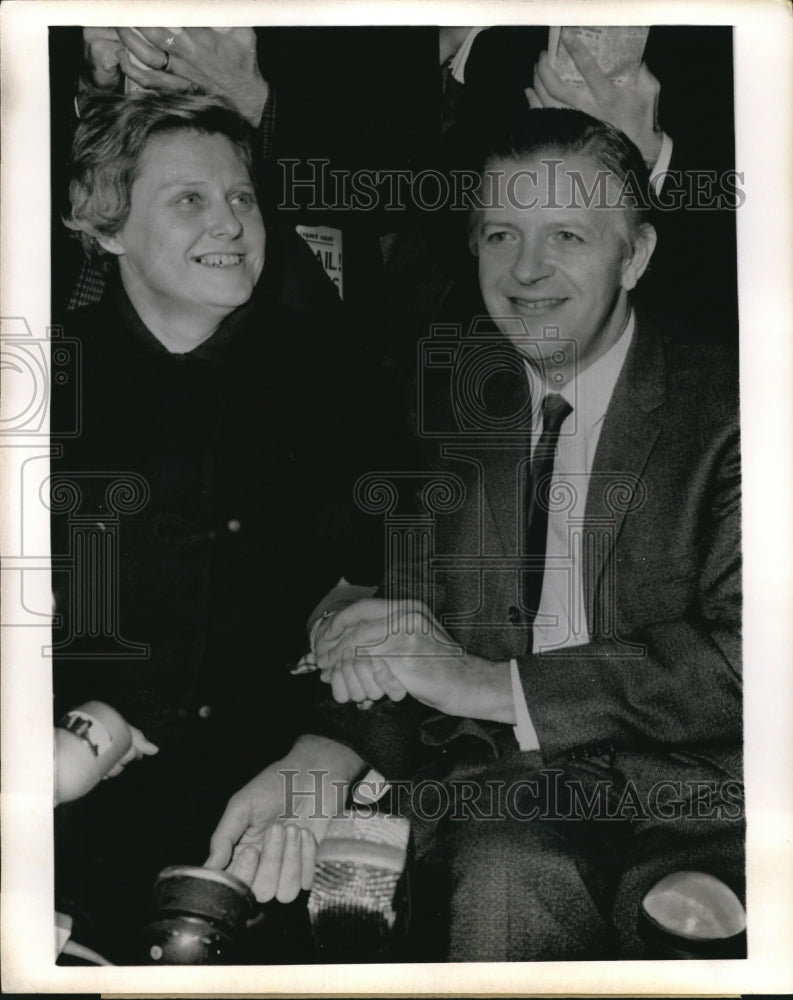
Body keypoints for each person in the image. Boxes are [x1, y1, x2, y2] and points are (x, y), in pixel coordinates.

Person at [206, 108, 743, 961]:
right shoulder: (451, 409)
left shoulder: (738, 405)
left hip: (704, 808)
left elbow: (753, 659)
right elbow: (408, 636)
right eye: (499, 234)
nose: (525, 271)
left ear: (634, 254)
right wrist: (318, 765)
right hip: (502, 807)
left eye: (565, 233)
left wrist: (495, 686)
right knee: (493, 875)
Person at [50, 90, 374, 961]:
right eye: (188, 198)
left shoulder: (332, 381)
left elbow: (389, 588)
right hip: (70, 797)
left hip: (273, 791)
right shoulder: (39, 380)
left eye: (240, 196)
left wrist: (329, 757)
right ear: (104, 226)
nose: (230, 222)